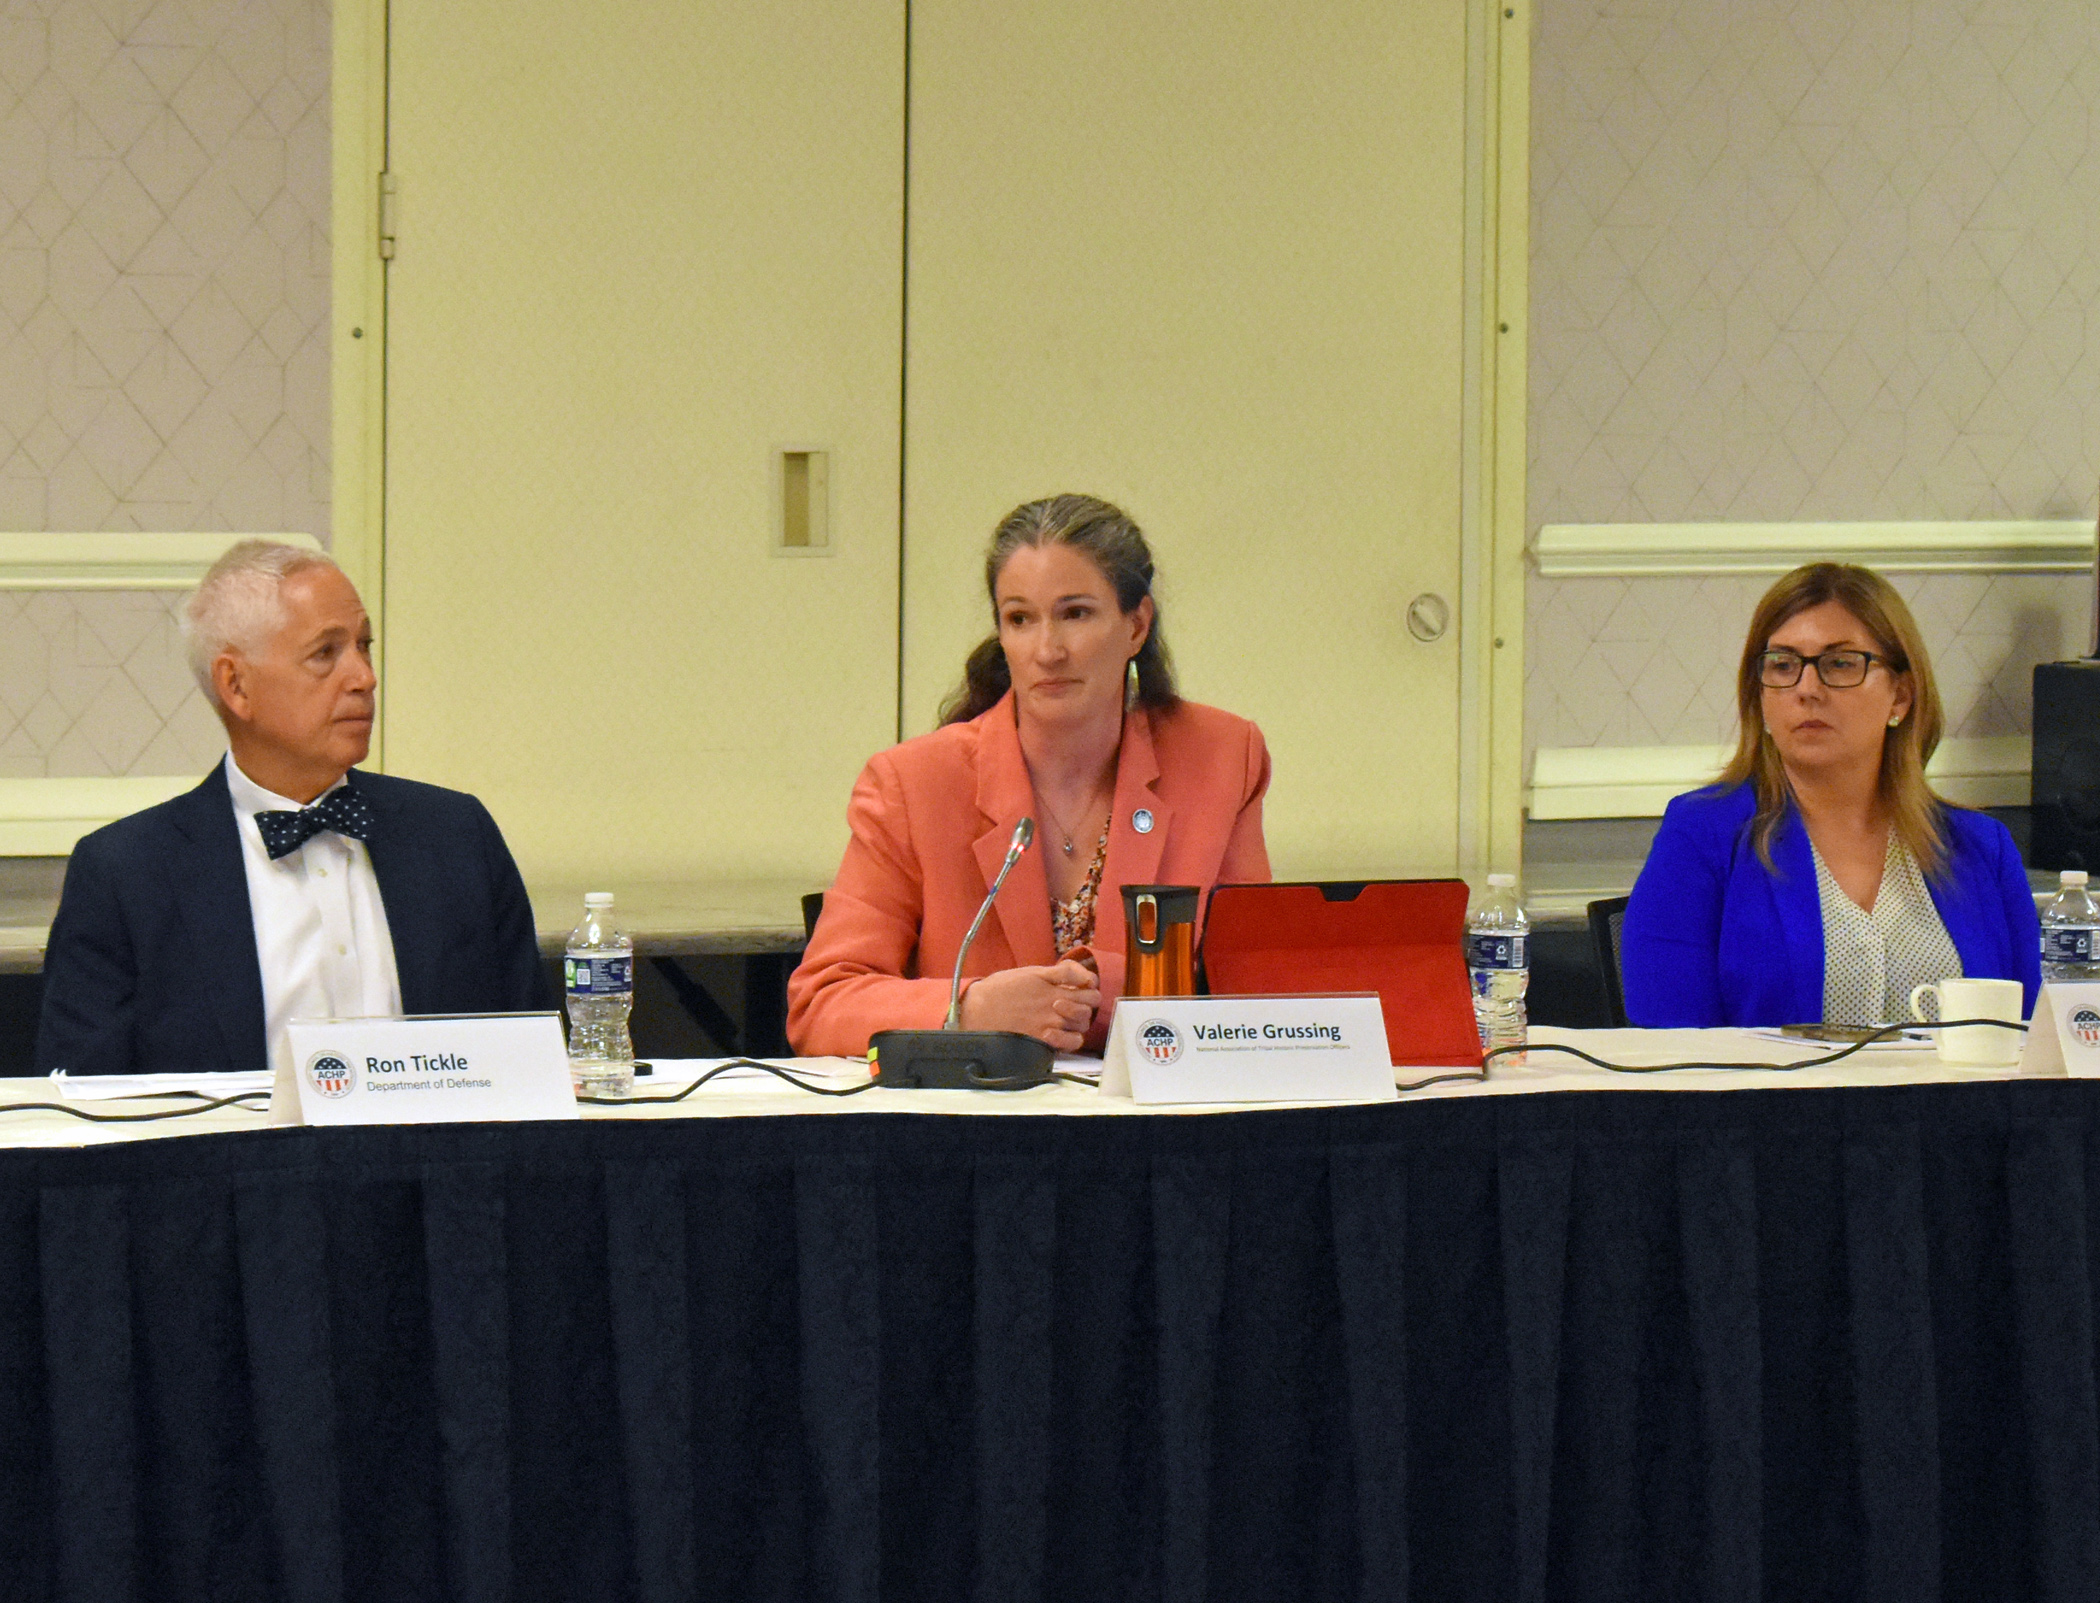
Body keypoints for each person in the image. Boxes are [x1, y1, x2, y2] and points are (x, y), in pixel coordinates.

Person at [36, 540, 548, 1077]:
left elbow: (533, 1069)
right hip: (233, 1161)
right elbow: (83, 1113)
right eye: (326, 653)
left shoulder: (456, 835)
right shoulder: (127, 874)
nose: (364, 677)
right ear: (235, 685)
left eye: (364, 646)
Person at [788, 494, 1271, 1056]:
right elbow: (822, 1004)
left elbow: (1255, 996)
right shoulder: (912, 783)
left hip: (1160, 1125)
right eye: (1020, 619)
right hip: (973, 1133)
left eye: (1075, 614)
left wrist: (1097, 991)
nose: (1047, 650)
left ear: (1136, 625)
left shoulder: (1220, 756)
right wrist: (968, 1010)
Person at [1621, 562, 2039, 1029]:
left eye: (1840, 664)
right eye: (1782, 665)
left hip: (1954, 1104)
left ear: (1901, 695)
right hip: (1769, 1102)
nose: (1806, 689)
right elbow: (1668, 1050)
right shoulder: (1703, 835)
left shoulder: (1982, 849)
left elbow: (2029, 1043)